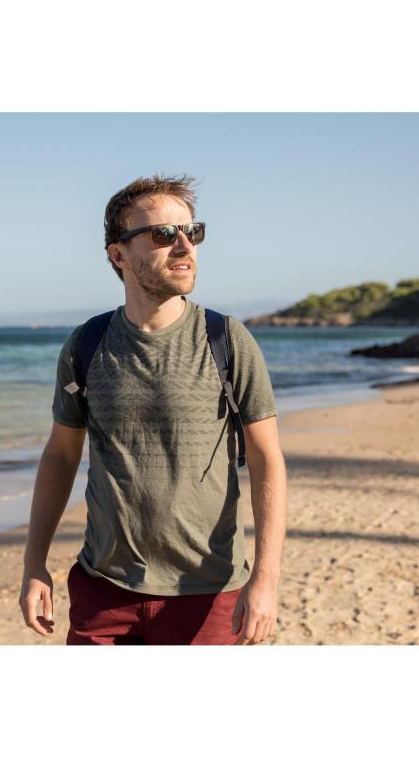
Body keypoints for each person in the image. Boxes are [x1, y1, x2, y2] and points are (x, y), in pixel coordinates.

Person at [19, 174, 287, 645]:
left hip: (207, 592)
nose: (184, 246)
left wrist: (265, 578)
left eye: (192, 231)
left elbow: (267, 459)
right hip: (103, 590)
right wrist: (34, 562)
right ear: (118, 255)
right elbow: (61, 454)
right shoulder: (87, 345)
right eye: (163, 234)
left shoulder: (227, 340)